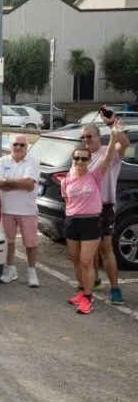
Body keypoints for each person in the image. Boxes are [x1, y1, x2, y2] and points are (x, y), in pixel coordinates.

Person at [62, 120, 122, 315]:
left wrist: (113, 134)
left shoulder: (96, 173)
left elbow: (110, 156)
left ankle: (100, 294)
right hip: (73, 221)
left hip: (94, 217)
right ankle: (83, 290)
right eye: (76, 158)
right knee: (75, 259)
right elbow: (66, 199)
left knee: (94, 256)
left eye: (83, 159)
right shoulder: (68, 177)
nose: (79, 161)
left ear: (89, 161)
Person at [80, 115, 127, 305]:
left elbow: (123, 143)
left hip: (105, 205)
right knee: (90, 248)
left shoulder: (109, 153)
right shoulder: (81, 156)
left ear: (99, 137)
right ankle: (96, 281)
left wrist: (112, 125)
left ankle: (115, 288)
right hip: (86, 208)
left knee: (106, 248)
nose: (86, 140)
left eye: (89, 136)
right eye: (83, 137)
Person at [0, 135, 41, 287]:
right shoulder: (2, 161)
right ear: (11, 145)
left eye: (22, 144)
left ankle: (32, 272)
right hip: (7, 209)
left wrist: (7, 183)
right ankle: (11, 270)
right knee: (9, 242)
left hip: (27, 210)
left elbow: (29, 182)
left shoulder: (33, 161)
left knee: (30, 243)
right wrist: (22, 184)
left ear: (27, 147)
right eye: (15, 144)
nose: (18, 147)